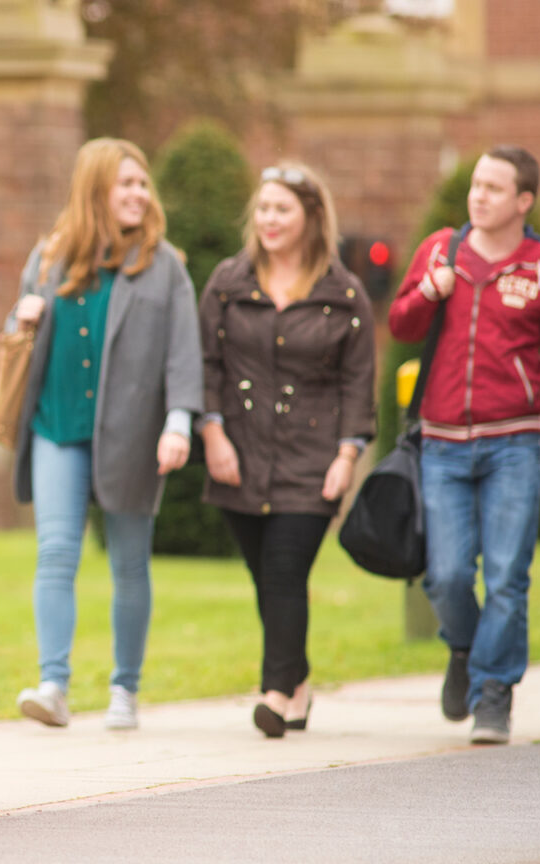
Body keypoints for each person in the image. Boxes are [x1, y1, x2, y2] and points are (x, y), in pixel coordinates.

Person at [7, 138, 201, 732]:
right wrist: (24, 318)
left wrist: (179, 422)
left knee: (129, 563)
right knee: (56, 553)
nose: (140, 194)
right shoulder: (50, 258)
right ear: (96, 190)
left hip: (133, 434)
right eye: (127, 185)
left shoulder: (164, 265)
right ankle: (54, 685)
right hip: (57, 426)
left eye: (144, 185)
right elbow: (17, 335)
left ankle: (125, 689)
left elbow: (182, 352)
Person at [197, 162, 375, 738]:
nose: (269, 220)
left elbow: (358, 381)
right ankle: (297, 683)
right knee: (265, 577)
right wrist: (213, 433)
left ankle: (275, 693)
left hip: (312, 457)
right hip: (239, 454)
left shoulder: (343, 293)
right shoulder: (228, 281)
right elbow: (206, 364)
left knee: (284, 570)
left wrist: (347, 456)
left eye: (283, 210)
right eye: (264, 209)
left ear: (311, 218)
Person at [389, 145, 540, 745]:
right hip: (444, 442)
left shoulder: (537, 265)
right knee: (447, 572)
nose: (478, 195)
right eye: (476, 184)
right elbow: (401, 326)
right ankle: (464, 645)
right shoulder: (440, 249)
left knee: (507, 574)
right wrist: (430, 290)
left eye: (494, 188)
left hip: (515, 443)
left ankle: (493, 695)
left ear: (523, 202)